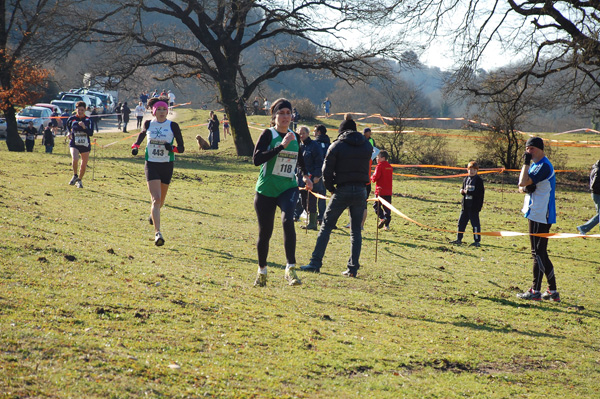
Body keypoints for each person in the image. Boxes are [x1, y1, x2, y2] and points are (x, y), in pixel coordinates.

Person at [300, 117, 372, 277]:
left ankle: (315, 263)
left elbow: (326, 171)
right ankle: (353, 268)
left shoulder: (337, 145)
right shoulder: (366, 145)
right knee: (356, 231)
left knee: (326, 226)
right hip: (361, 190)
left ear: (341, 130)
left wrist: (331, 188)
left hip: (342, 189)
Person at [252, 98, 313, 287]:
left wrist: (305, 177)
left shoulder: (295, 137)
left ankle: (290, 269)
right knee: (265, 233)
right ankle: (262, 270)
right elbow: (256, 159)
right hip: (266, 190)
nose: (286, 117)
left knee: (288, 221)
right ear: (274, 116)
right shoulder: (268, 134)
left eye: (289, 113)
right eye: (282, 113)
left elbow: (299, 160)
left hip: (288, 188)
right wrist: (280, 147)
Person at [131, 97, 185, 247]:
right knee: (155, 199)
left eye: (164, 109)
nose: (162, 112)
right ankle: (158, 233)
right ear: (154, 111)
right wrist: (135, 146)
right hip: (152, 164)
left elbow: (181, 148)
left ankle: (152, 215)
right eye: (159, 109)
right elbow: (141, 136)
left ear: (168, 111)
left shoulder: (173, 126)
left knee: (160, 202)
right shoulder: (149, 124)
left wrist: (172, 148)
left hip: (167, 165)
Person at [516, 137, 560, 302]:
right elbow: (521, 186)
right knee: (539, 254)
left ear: (540, 149)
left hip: (542, 214)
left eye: (531, 149)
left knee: (538, 254)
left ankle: (536, 290)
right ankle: (552, 291)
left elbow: (522, 181)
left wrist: (525, 166)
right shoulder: (535, 165)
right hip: (533, 212)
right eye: (527, 149)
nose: (528, 152)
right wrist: (526, 187)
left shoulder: (543, 166)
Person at [450, 161, 485, 246]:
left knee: (475, 224)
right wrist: (462, 191)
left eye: (473, 170)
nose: (472, 171)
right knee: (461, 223)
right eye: (470, 169)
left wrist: (468, 192)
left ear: (477, 170)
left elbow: (479, 193)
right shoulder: (466, 179)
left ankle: (477, 241)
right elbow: (464, 190)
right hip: (465, 206)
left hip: (474, 206)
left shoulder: (479, 180)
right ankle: (458, 239)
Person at [297, 125, 324, 231]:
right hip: (301, 179)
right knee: (303, 201)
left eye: (303, 133)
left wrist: (317, 176)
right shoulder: (299, 145)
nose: (301, 135)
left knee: (311, 201)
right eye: (299, 133)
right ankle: (309, 220)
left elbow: (319, 162)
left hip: (313, 178)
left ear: (308, 134)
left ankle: (313, 223)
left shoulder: (314, 146)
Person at [67, 101, 95, 189]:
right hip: (74, 143)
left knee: (83, 164)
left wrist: (84, 127)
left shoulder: (88, 120)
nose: (80, 112)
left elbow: (91, 133)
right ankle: (75, 175)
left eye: (82, 110)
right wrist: (68, 133)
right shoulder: (71, 119)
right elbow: (68, 128)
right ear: (76, 110)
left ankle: (79, 180)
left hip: (85, 144)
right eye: (79, 110)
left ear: (85, 110)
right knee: (75, 159)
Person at [371, 150, 394, 230]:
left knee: (376, 206)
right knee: (387, 208)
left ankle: (382, 217)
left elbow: (375, 177)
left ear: (383, 158)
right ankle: (387, 225)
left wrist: (371, 178)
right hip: (388, 191)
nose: (376, 159)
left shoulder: (379, 166)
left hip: (380, 191)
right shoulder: (389, 166)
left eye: (378, 157)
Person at [577, 160, 600, 235]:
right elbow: (595, 185)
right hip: (598, 194)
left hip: (596, 194)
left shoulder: (596, 168)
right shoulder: (598, 170)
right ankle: (583, 228)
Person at [314, 124, 330, 225]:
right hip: (326, 173)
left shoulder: (314, 144)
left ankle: (311, 216)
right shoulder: (330, 144)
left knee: (310, 196)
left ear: (319, 132)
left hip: (315, 173)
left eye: (315, 131)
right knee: (322, 196)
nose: (313, 133)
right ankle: (321, 216)